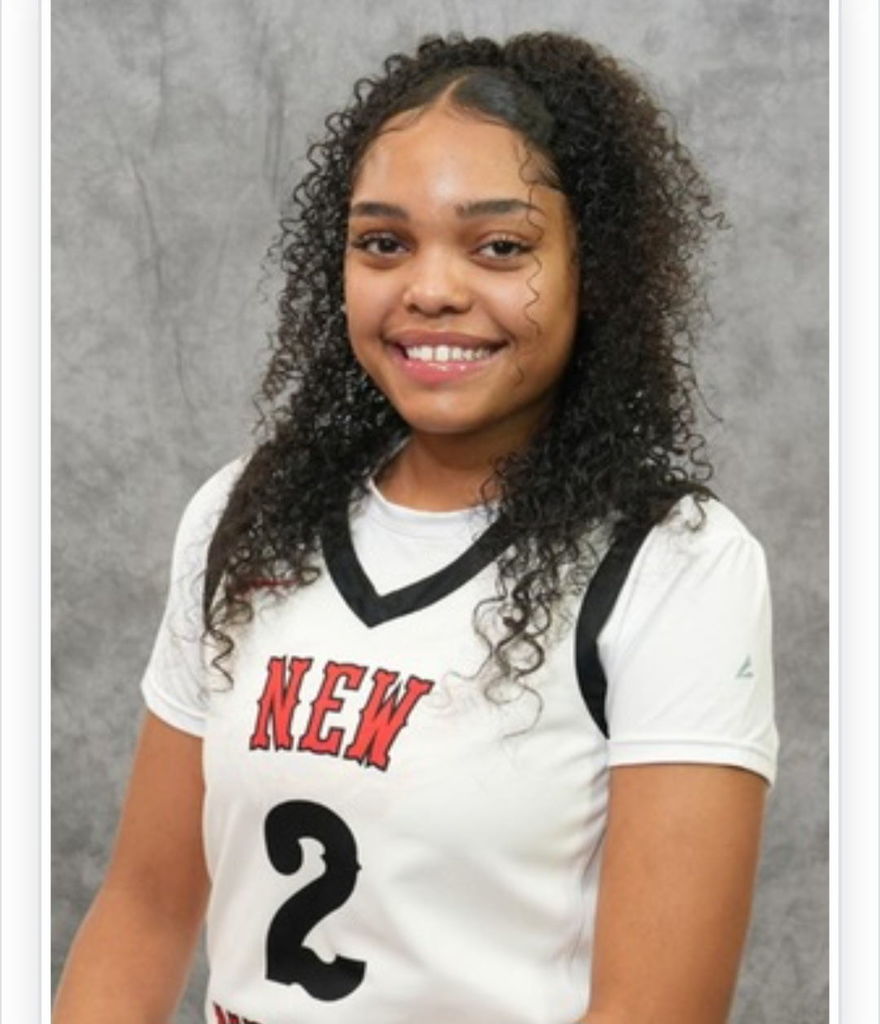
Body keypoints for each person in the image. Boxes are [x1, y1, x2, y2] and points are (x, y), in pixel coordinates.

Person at [54, 30, 778, 1024]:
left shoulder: (673, 565)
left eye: (500, 245)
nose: (430, 288)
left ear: (591, 271)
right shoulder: (243, 516)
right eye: (383, 241)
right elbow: (143, 907)